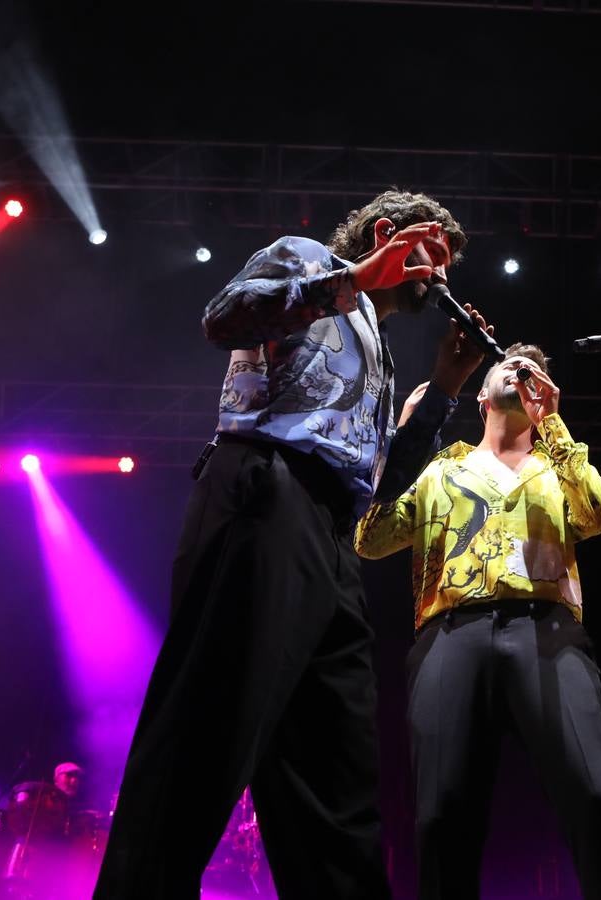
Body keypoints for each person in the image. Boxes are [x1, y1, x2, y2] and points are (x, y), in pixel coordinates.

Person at [94, 191, 495, 899]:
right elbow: (223, 318)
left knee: (335, 767)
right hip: (265, 495)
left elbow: (384, 481)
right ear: (386, 235)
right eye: (435, 261)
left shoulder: (379, 346)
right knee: (210, 722)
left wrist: (448, 386)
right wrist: (353, 281)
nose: (442, 284)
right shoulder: (307, 259)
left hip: (331, 534)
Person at [355, 345, 601, 899]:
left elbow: (600, 515)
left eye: (536, 370)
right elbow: (370, 537)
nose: (523, 370)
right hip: (450, 633)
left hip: (548, 630)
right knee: (441, 813)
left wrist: (552, 424)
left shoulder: (558, 467)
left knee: (595, 794)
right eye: (508, 366)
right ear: (482, 396)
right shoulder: (443, 468)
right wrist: (406, 441)